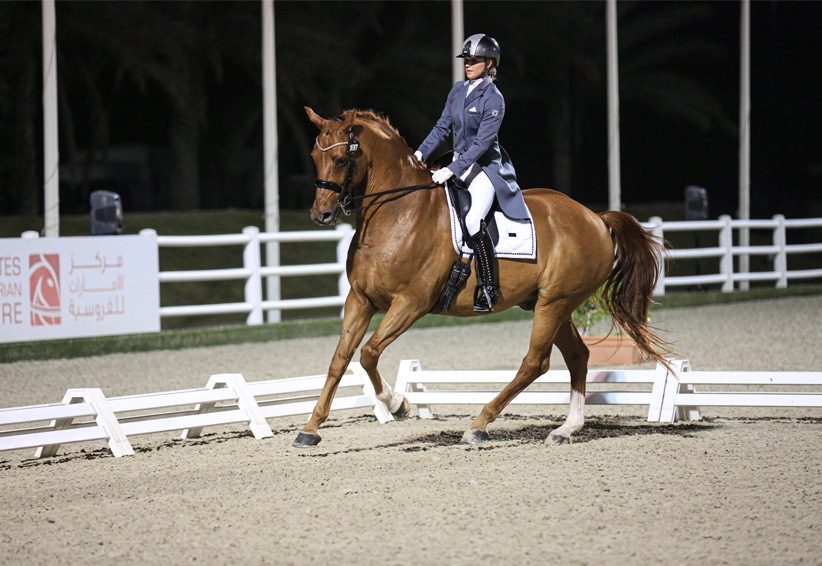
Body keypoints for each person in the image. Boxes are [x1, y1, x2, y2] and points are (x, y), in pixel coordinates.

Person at [415, 33, 529, 313]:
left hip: (484, 170)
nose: (468, 64)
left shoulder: (494, 99)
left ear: (489, 63)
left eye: (474, 60)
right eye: (466, 59)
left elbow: (481, 144)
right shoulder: (457, 90)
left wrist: (452, 169)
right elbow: (442, 128)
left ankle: (489, 288)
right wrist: (418, 155)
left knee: (474, 218)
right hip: (454, 163)